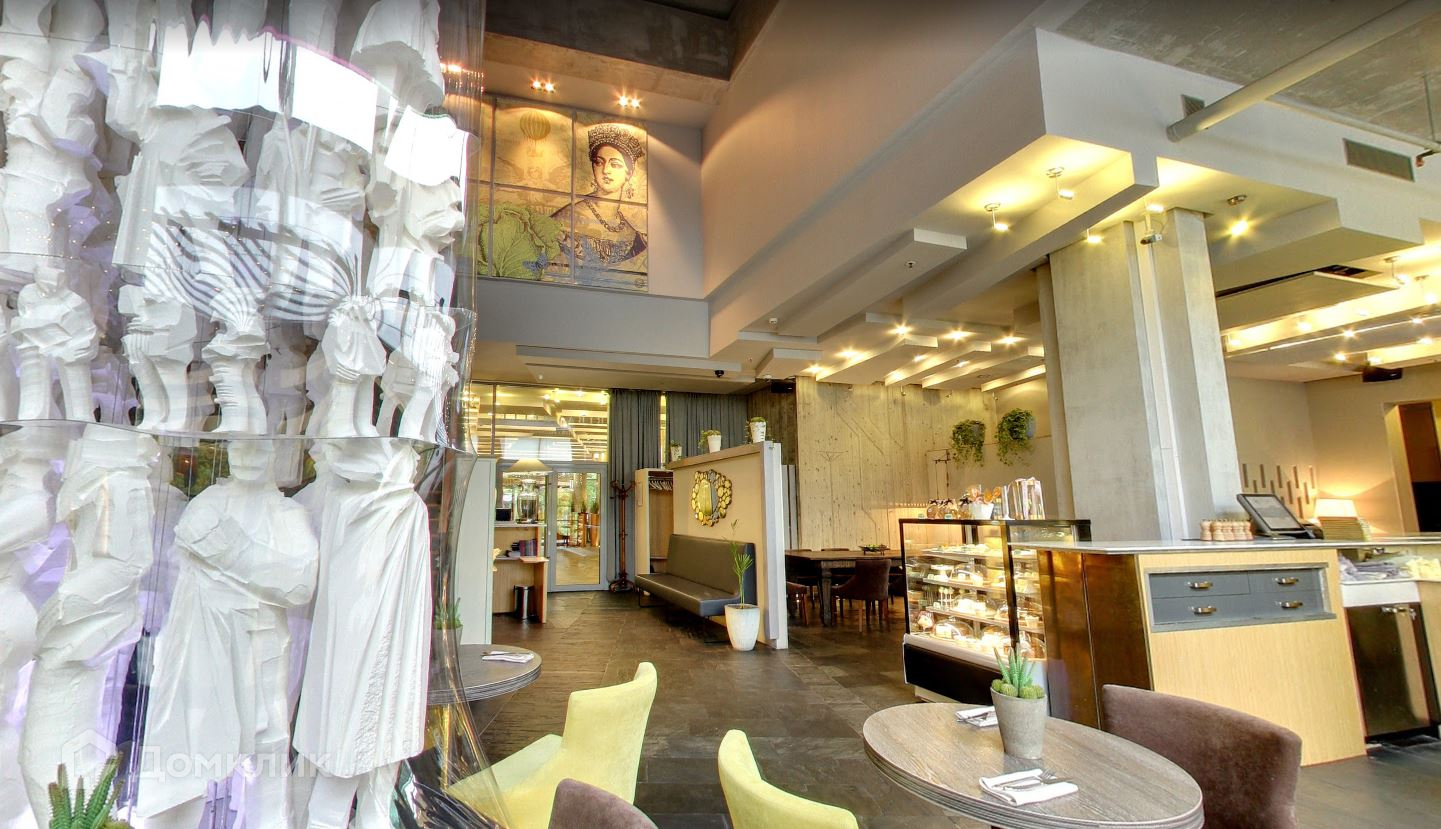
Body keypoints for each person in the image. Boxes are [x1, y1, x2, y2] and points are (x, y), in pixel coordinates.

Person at [551, 124, 647, 273]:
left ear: (628, 173)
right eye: (599, 162)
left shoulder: (636, 237)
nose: (606, 170)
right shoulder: (567, 218)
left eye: (615, 164)